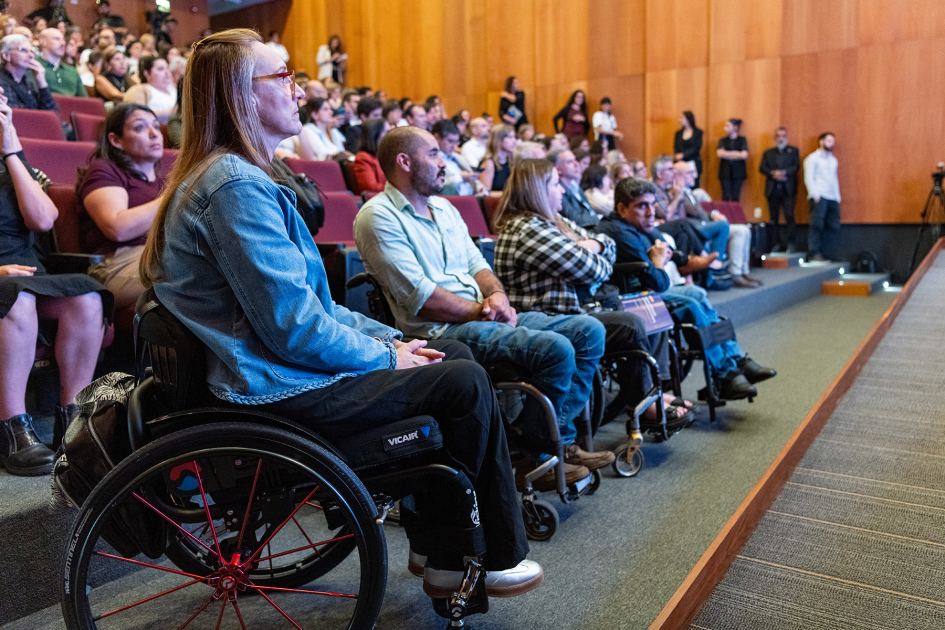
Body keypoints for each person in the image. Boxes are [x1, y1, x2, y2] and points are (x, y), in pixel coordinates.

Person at [140, 28, 542, 597]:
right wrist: (387, 354)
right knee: (462, 380)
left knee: (447, 353)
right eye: (284, 77)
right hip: (267, 388)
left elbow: (319, 308)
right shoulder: (233, 186)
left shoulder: (238, 177)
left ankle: (437, 548)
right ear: (241, 96)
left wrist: (394, 346)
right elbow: (294, 329)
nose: (299, 89)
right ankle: (481, 554)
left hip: (269, 370)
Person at [354, 124, 613, 491]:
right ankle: (535, 457)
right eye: (434, 154)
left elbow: (480, 266)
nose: (444, 162)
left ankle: (556, 444)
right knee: (557, 349)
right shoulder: (376, 216)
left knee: (589, 331)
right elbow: (423, 299)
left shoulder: (444, 208)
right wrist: (484, 310)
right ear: (404, 161)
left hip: (481, 315)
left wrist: (499, 297)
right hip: (439, 331)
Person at [493, 159, 690, 432]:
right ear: (537, 190)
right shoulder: (527, 228)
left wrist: (590, 244)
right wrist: (589, 249)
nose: (562, 190)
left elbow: (607, 247)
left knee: (646, 307)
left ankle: (651, 394)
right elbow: (593, 269)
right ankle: (643, 406)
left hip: (576, 308)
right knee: (630, 323)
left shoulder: (555, 222)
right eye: (554, 184)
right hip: (548, 317)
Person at [0, 96, 109, 476]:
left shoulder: (12, 160)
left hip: (30, 274)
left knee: (88, 298)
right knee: (18, 299)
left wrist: (12, 149)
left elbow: (44, 219)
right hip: (4, 282)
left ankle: (73, 424)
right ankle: (14, 428)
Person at [596, 177, 776, 401]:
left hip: (647, 291)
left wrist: (667, 253)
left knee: (696, 293)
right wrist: (660, 259)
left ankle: (734, 360)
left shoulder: (639, 224)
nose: (651, 212)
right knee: (690, 301)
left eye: (653, 204)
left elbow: (671, 251)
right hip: (628, 298)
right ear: (622, 208)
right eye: (643, 205)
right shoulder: (619, 232)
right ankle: (724, 372)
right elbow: (660, 282)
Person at [77, 103, 164, 309]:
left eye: (156, 127)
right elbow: (117, 227)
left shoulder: (163, 184)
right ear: (116, 140)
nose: (154, 134)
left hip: (158, 257)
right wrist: (176, 196)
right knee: (195, 268)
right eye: (140, 127)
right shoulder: (104, 170)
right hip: (115, 265)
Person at [759, 127, 800, 252]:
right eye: (778, 136)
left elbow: (796, 166)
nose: (781, 138)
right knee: (773, 218)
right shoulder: (768, 153)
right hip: (772, 189)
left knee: (789, 216)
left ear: (786, 137)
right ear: (775, 138)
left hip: (788, 189)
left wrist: (784, 173)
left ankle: (791, 244)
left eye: (783, 136)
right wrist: (774, 174)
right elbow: (762, 168)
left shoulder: (793, 151)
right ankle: (776, 243)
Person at [803, 132, 841, 262]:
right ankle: (814, 253)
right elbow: (808, 177)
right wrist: (814, 194)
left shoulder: (833, 160)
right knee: (817, 225)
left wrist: (837, 196)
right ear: (821, 141)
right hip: (819, 195)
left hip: (832, 197)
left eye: (833, 141)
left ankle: (825, 252)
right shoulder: (812, 158)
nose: (831, 144)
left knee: (833, 225)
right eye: (829, 141)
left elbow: (834, 179)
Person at [0, 34, 57, 111]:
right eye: (23, 50)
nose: (30, 55)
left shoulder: (31, 82)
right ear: (6, 55)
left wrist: (42, 83)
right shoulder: (1, 81)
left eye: (32, 51)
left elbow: (51, 115)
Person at [549, 147, 598, 229]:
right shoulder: (559, 190)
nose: (576, 164)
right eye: (570, 162)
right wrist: (600, 219)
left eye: (575, 160)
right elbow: (576, 219)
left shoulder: (574, 184)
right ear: (558, 169)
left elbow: (589, 209)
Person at [123, 56, 176, 122]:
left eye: (168, 68)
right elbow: (138, 116)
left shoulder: (174, 88)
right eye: (160, 69)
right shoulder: (139, 90)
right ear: (147, 74)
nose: (167, 72)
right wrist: (175, 112)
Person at [433, 119, 477, 196]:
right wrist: (460, 178)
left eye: (456, 142)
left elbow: (473, 178)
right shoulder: (431, 160)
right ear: (437, 138)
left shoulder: (459, 157)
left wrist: (480, 188)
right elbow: (433, 184)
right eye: (450, 141)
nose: (454, 146)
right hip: (450, 201)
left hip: (471, 199)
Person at [37, 28, 85, 97]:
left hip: (72, 107)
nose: (63, 43)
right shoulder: (34, 68)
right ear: (43, 42)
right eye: (57, 39)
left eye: (63, 40)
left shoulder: (73, 72)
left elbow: (85, 102)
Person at [297, 96, 349, 161]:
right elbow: (322, 154)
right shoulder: (308, 129)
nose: (331, 112)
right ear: (315, 115)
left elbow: (342, 150)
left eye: (330, 109)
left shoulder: (332, 131)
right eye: (325, 109)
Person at [353, 117, 388, 194]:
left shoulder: (386, 156)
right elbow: (370, 187)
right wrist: (398, 190)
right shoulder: (363, 158)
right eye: (387, 131)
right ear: (375, 134)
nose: (390, 135)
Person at [479, 123, 515, 195]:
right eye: (510, 137)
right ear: (498, 139)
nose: (514, 141)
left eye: (514, 137)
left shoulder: (511, 161)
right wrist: (511, 195)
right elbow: (485, 194)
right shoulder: (489, 163)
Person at [716, 118, 748, 202]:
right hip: (725, 172)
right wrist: (737, 154)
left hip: (738, 173)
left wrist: (726, 154)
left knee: (736, 197)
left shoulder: (742, 140)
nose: (725, 128)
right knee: (725, 196)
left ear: (736, 127)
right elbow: (720, 154)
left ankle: (734, 215)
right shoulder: (722, 140)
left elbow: (744, 155)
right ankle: (725, 215)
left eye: (728, 126)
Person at [673, 111, 704, 188]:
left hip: (693, 162)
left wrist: (683, 155)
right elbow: (676, 147)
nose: (680, 120)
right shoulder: (678, 133)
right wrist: (678, 156)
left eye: (682, 118)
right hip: (680, 163)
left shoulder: (698, 132)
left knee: (693, 185)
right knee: (680, 185)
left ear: (688, 119)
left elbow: (697, 147)